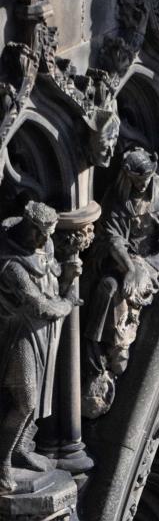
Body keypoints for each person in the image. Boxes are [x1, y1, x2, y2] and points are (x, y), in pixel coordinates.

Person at [0, 199, 77, 492]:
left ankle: (20, 447)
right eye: (40, 233)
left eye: (50, 233)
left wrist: (67, 273)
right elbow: (39, 306)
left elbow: (51, 270)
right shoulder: (10, 263)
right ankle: (2, 461)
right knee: (26, 399)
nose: (45, 240)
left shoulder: (43, 244)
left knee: (44, 395)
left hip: (45, 334)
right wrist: (68, 303)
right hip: (19, 335)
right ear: (27, 226)